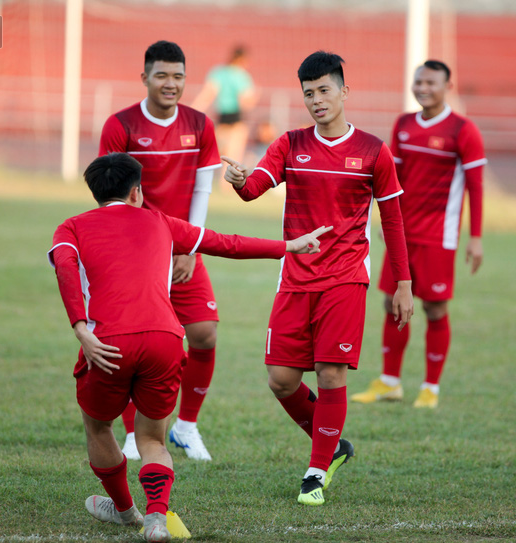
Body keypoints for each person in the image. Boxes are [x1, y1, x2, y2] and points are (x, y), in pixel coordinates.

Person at [48, 152, 332, 541]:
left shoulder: (71, 227)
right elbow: (225, 243)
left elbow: (65, 266)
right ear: (136, 192)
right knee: (152, 439)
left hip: (107, 342)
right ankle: (157, 520)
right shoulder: (161, 221)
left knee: (98, 427)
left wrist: (81, 329)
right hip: (165, 338)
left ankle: (126, 511)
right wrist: (290, 246)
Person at [221, 51, 414, 506]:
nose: (316, 100)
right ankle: (333, 446)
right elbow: (254, 189)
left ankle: (315, 469)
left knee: (330, 374)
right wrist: (238, 179)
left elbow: (394, 222)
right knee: (281, 380)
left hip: (346, 277)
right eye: (308, 93)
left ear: (344, 91)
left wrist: (403, 284)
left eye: (324, 90)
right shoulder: (289, 144)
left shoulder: (372, 151)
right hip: (294, 276)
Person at [98, 41, 221, 461]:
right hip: (138, 249)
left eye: (178, 76)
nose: (171, 84)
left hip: (184, 245)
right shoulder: (121, 125)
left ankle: (186, 426)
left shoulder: (200, 125)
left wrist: (190, 246)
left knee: (203, 333)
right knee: (138, 339)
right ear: (145, 77)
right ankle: (134, 433)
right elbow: (111, 195)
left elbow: (204, 188)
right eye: (162, 75)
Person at [351, 60, 486, 409]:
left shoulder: (463, 130)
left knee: (435, 308)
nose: (423, 88)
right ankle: (389, 382)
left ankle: (430, 388)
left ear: (447, 86)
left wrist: (476, 237)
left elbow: (475, 185)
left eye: (431, 82)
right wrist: (382, 217)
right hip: (403, 233)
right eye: (418, 81)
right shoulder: (404, 124)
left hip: (439, 236)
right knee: (390, 301)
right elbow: (389, 179)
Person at [191, 45, 257, 184]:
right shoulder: (242, 75)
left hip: (222, 117)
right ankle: (226, 186)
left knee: (215, 151)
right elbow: (247, 101)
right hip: (237, 117)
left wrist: (194, 110)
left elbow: (208, 94)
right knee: (233, 155)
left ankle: (196, 176)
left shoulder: (218, 72)